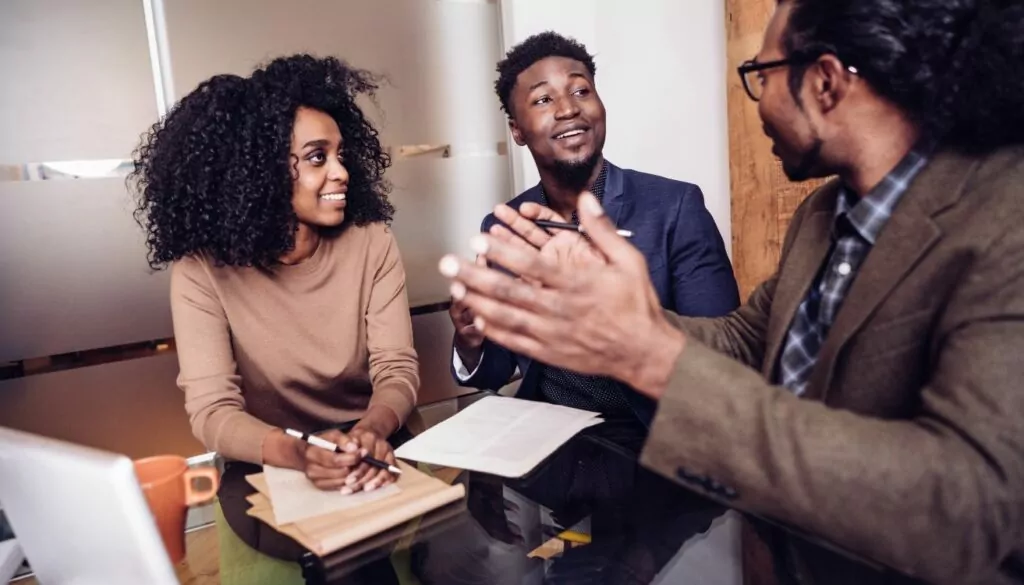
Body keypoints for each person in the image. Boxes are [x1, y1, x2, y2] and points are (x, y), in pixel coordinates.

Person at [438, 0, 1024, 583]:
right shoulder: (822, 214)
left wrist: (647, 353)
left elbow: (970, 508)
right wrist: (610, 317)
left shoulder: (1004, 220)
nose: (758, 103)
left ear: (822, 81)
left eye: (760, 75)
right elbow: (743, 337)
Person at [131, 55, 418, 496]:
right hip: (266, 457)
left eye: (340, 154)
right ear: (259, 171)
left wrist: (370, 433)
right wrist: (301, 454)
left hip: (374, 439)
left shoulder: (371, 241)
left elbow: (396, 369)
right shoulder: (201, 270)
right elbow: (213, 411)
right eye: (317, 158)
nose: (341, 171)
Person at [449, 32, 739, 425]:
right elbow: (496, 370)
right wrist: (471, 341)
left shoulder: (675, 206)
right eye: (543, 99)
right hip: (550, 435)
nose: (568, 109)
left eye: (581, 91)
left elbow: (722, 361)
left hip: (653, 437)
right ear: (516, 130)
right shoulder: (507, 226)